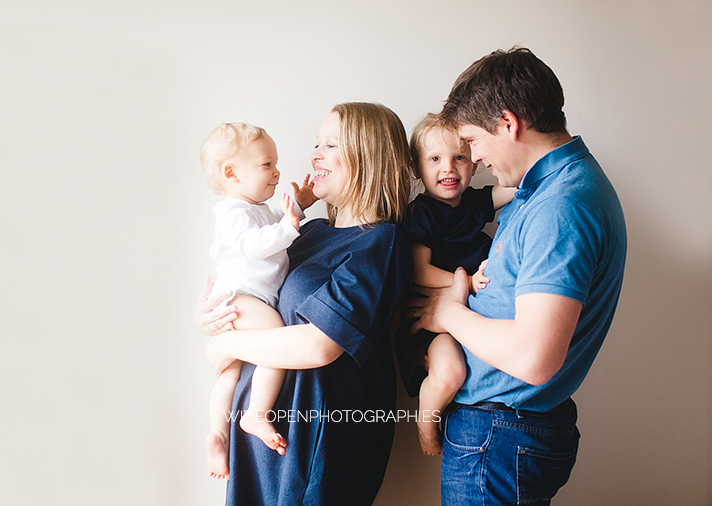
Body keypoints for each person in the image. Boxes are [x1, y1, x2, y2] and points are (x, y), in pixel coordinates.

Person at [408, 47, 627, 505]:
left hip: (500, 434)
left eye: (471, 140)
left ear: (508, 124)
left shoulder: (562, 206)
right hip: (502, 430)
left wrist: (447, 312)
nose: (473, 156)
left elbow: (534, 357)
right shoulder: (544, 190)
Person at [196, 102, 414, 505]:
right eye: (317, 143)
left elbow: (319, 344)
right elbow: (255, 289)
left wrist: (225, 346)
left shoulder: (382, 242)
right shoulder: (307, 233)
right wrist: (213, 314)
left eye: (330, 144)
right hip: (264, 441)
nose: (315, 154)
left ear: (367, 155)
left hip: (313, 443)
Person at [199, 123, 318, 480]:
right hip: (244, 299)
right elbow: (256, 244)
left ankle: (218, 434)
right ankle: (257, 413)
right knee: (275, 341)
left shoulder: (255, 209)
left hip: (242, 301)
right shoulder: (233, 212)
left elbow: (274, 228)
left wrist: (298, 205)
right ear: (231, 173)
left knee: (229, 372)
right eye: (267, 164)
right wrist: (288, 228)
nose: (277, 172)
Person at [395, 113, 515, 456]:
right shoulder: (423, 212)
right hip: (431, 324)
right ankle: (425, 423)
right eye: (434, 159)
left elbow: (510, 189)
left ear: (473, 164)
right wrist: (467, 283)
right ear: (417, 168)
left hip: (463, 313)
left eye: (459, 158)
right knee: (450, 372)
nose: (448, 168)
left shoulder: (474, 203)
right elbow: (420, 271)